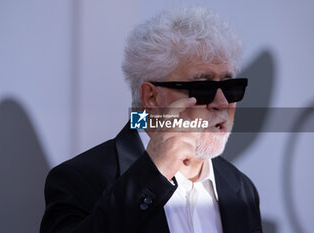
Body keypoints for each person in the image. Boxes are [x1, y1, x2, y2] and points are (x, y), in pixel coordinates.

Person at [40, 7, 262, 233]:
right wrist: (152, 174)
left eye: (230, 87)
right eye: (204, 88)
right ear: (152, 97)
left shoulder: (241, 189)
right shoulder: (79, 180)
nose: (222, 103)